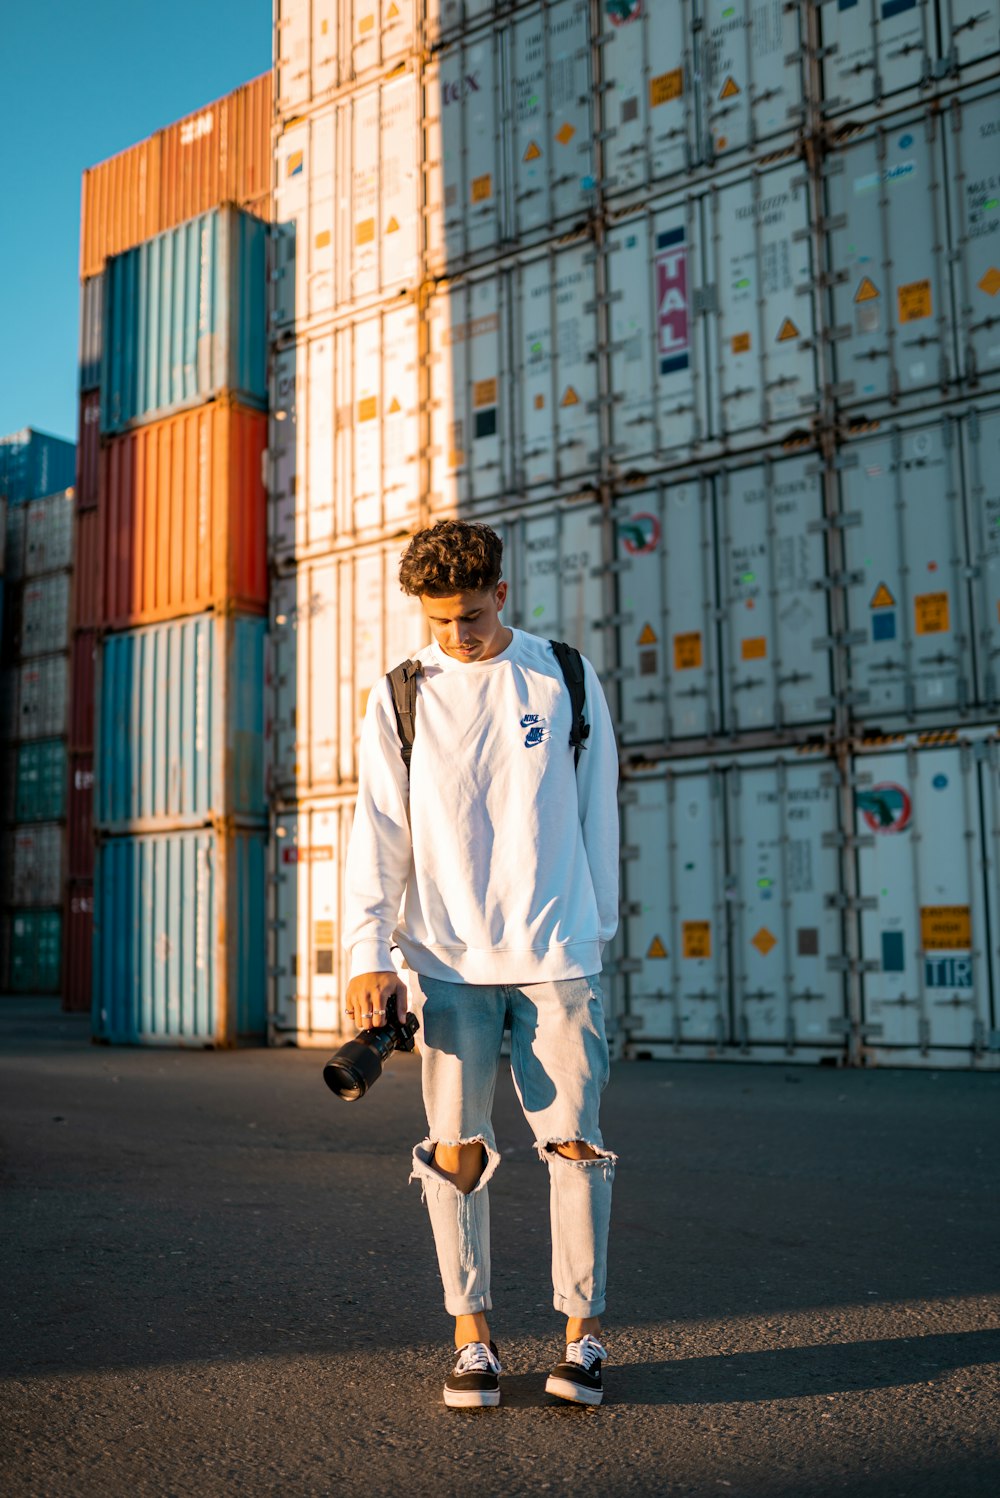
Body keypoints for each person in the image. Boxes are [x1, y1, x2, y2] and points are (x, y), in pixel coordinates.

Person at [343, 519, 619, 1408]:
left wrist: (592, 934)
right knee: (455, 1153)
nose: (455, 635)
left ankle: (583, 1338)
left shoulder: (563, 674)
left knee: (575, 1150)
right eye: (438, 620)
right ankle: (474, 1340)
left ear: (501, 592)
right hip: (450, 960)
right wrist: (366, 952)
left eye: (468, 614)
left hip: (554, 954)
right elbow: (377, 835)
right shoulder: (401, 695)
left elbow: (597, 810)